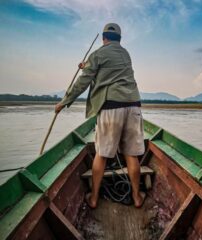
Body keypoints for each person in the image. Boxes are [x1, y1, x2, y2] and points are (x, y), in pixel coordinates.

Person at [55, 23, 145, 208]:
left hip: (111, 106)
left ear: (104, 38)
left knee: (102, 154)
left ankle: (94, 198)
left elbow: (84, 82)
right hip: (133, 105)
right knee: (131, 155)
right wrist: (87, 66)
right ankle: (137, 197)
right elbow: (108, 73)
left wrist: (64, 102)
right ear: (119, 39)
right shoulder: (126, 54)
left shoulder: (97, 54)